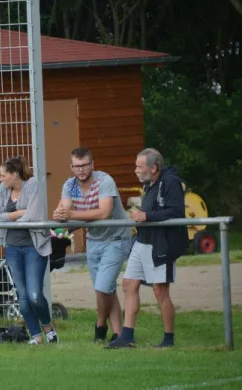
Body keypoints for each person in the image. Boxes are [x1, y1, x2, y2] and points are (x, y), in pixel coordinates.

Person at [107, 148, 188, 349]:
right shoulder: (148, 184)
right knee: (129, 284)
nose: (135, 170)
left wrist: (147, 216)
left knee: (160, 291)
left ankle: (168, 339)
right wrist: (142, 215)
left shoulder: (170, 182)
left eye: (139, 166)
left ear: (153, 168)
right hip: (142, 242)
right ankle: (127, 336)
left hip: (161, 245)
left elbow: (176, 212)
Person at [53, 148, 132, 343]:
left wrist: (69, 215)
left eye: (84, 165)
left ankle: (100, 325)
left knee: (103, 286)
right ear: (71, 167)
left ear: (92, 165)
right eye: (77, 166)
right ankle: (118, 334)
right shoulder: (69, 185)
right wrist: (59, 218)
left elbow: (104, 213)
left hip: (116, 238)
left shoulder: (105, 181)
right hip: (94, 240)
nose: (80, 170)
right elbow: (66, 211)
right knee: (107, 288)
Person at [0, 156, 58, 344]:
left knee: (35, 295)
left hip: (33, 246)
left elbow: (33, 215)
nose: (0, 179)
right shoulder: (3, 190)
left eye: (3, 175)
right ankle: (35, 335)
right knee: (22, 297)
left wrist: (13, 218)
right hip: (12, 247)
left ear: (14, 175)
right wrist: (18, 214)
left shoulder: (32, 185)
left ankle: (48, 328)